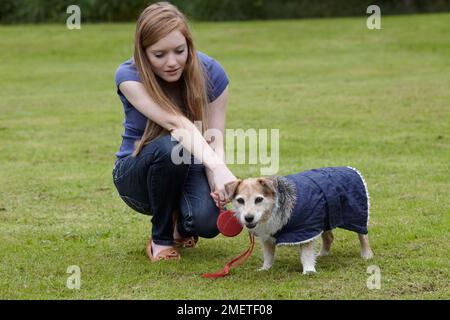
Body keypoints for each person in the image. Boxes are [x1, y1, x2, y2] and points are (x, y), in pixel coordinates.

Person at [112, 2, 237, 262]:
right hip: (136, 175)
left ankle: (182, 227)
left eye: (180, 51)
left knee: (208, 222)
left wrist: (217, 180)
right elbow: (176, 125)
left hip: (186, 165)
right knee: (171, 146)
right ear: (143, 52)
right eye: (159, 55)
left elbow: (214, 137)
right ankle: (160, 240)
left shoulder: (212, 72)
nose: (172, 62)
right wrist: (218, 167)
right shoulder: (129, 76)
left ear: (189, 45)